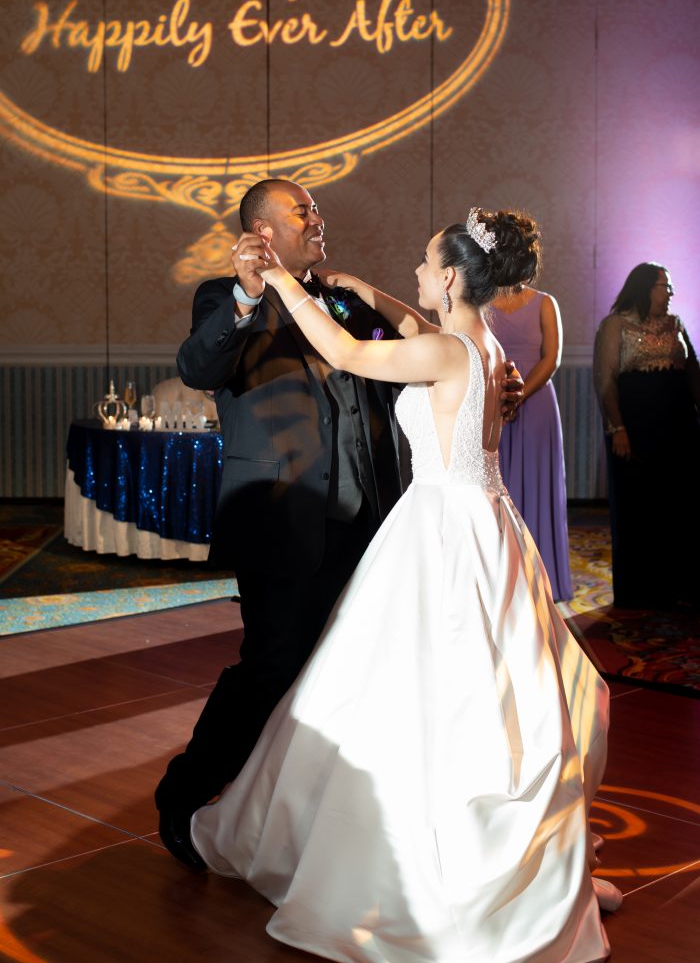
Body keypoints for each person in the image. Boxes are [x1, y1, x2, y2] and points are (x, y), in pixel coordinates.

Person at [191, 208, 618, 962]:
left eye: (425, 264)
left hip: (443, 536)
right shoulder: (481, 345)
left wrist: (286, 282)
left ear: (452, 275)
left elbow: (348, 351)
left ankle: (414, 868)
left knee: (413, 695)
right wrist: (372, 288)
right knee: (478, 696)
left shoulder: (448, 355)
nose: (417, 276)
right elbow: (418, 320)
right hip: (487, 525)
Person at [154, 180, 523, 869]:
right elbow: (197, 365)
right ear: (264, 231)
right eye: (304, 211)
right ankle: (185, 793)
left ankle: (326, 823)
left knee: (356, 678)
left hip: (374, 526)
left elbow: (430, 357)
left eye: (317, 208)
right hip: (282, 520)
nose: (319, 218)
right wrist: (245, 292)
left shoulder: (348, 299)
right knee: (270, 668)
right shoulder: (224, 298)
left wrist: (489, 383)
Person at [593, 262, 700, 610]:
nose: (669, 294)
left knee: (680, 507)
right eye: (663, 286)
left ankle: (680, 585)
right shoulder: (615, 325)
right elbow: (606, 382)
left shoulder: (676, 324)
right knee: (639, 509)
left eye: (669, 288)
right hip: (636, 429)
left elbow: (693, 375)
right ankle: (640, 590)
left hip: (679, 428)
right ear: (643, 287)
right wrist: (618, 428)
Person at [488, 284, 573, 602]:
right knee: (498, 485)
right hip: (493, 399)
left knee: (537, 486)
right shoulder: (481, 299)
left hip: (536, 403)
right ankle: (502, 578)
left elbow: (551, 359)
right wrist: (500, 397)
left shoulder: (545, 303)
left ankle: (542, 578)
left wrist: (519, 396)